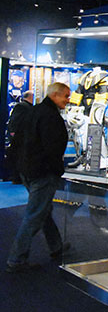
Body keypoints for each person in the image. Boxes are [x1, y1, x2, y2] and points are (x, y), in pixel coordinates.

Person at [6, 83, 71, 273]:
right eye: (66, 96)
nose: (68, 100)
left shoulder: (33, 112)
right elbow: (52, 148)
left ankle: (56, 246)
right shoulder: (50, 117)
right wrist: (56, 170)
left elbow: (17, 141)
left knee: (43, 210)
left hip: (29, 170)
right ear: (55, 96)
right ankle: (16, 259)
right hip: (42, 172)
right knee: (35, 214)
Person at [5, 90, 33, 183]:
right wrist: (13, 132)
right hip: (20, 137)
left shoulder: (25, 106)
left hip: (22, 136)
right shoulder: (21, 106)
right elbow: (14, 120)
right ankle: (16, 177)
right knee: (19, 156)